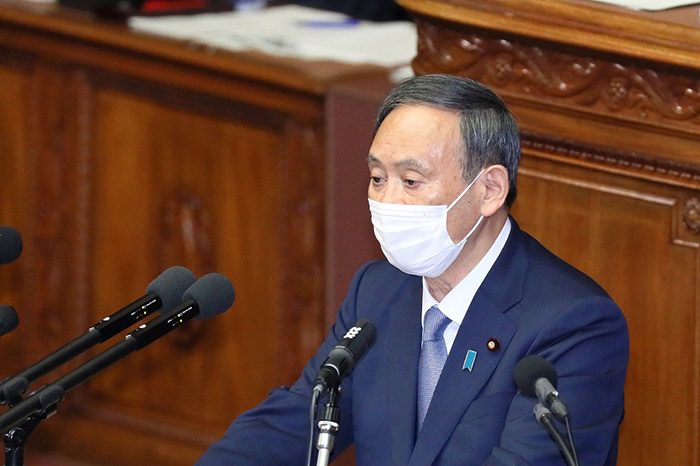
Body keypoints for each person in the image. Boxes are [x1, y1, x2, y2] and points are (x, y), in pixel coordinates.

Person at [195, 74, 629, 465]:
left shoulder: (574, 323)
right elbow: (299, 419)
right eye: (377, 178)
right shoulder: (378, 291)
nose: (387, 202)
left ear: (489, 189)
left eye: (411, 181)